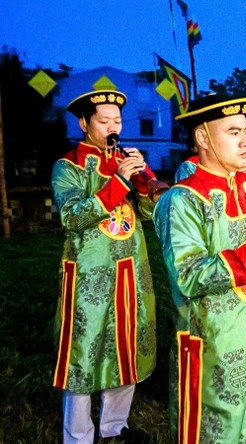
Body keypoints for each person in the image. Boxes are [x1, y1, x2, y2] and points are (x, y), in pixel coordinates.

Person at [153, 95, 246, 442]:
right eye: (233, 132)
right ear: (203, 138)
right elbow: (188, 276)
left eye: (245, 131)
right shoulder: (183, 200)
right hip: (216, 341)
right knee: (220, 426)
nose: (245, 140)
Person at [52, 89, 157, 442]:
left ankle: (115, 426)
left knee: (125, 344)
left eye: (117, 121)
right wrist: (120, 182)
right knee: (84, 349)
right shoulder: (67, 166)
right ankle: (78, 435)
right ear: (83, 123)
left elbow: (147, 213)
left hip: (130, 269)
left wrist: (145, 186)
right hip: (89, 274)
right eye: (104, 121)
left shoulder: (125, 159)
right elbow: (71, 216)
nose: (113, 127)